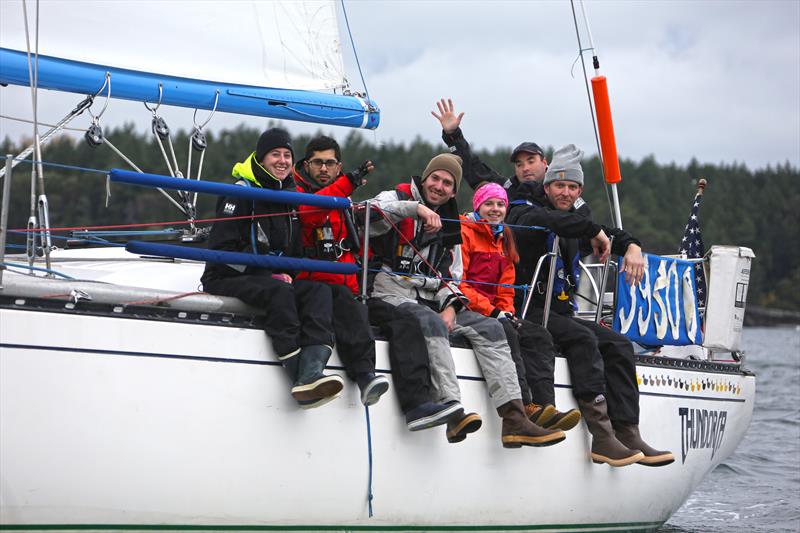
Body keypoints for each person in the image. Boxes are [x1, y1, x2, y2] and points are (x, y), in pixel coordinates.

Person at [367, 153, 565, 448]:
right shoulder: (396, 196)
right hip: (388, 291)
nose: (439, 186)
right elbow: (364, 214)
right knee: (429, 321)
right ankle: (451, 408)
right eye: (435, 178)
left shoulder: (449, 223)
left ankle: (514, 418)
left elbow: (449, 273)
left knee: (492, 328)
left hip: (432, 297)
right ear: (424, 178)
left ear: (454, 191)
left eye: (448, 183)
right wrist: (415, 209)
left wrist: (451, 305)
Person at [506, 143, 674, 467]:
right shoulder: (527, 211)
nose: (565, 192)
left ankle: (627, 430)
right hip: (527, 310)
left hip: (559, 312)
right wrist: (593, 230)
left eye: (572, 187)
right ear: (547, 186)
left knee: (620, 344)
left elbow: (611, 233)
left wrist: (633, 247)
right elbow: (551, 221)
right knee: (583, 339)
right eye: (559, 185)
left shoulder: (577, 224)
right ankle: (601, 435)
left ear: (579, 189)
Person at [200, 128, 343, 409]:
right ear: (261, 158)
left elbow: (294, 252)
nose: (282, 161)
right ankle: (299, 378)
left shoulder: (289, 197)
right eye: (275, 154)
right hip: (227, 275)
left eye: (287, 155)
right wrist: (268, 272)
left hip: (271, 276)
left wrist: (290, 269)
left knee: (319, 292)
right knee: (279, 292)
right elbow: (223, 251)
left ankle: (312, 372)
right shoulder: (239, 193)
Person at [459, 182, 581, 431]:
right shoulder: (464, 232)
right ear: (478, 206)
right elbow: (460, 284)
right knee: (508, 333)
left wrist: (507, 312)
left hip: (496, 312)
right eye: (489, 204)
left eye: (501, 204)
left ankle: (546, 407)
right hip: (467, 309)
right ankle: (525, 405)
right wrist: (494, 312)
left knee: (538, 335)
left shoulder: (504, 237)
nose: (495, 209)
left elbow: (506, 288)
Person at [292, 135, 390, 406]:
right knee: (328, 299)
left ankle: (366, 376)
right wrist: (348, 183)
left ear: (338, 166)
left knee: (356, 308)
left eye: (330, 163)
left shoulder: (342, 197)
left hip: (343, 281)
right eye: (317, 163)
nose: (323, 169)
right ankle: (312, 372)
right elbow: (309, 211)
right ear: (306, 164)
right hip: (310, 280)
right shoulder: (296, 192)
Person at [431, 98, 591, 219]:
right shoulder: (507, 189)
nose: (525, 168)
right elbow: (473, 167)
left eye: (530, 161)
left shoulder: (563, 190)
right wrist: (453, 135)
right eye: (519, 164)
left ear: (544, 163)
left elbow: (587, 230)